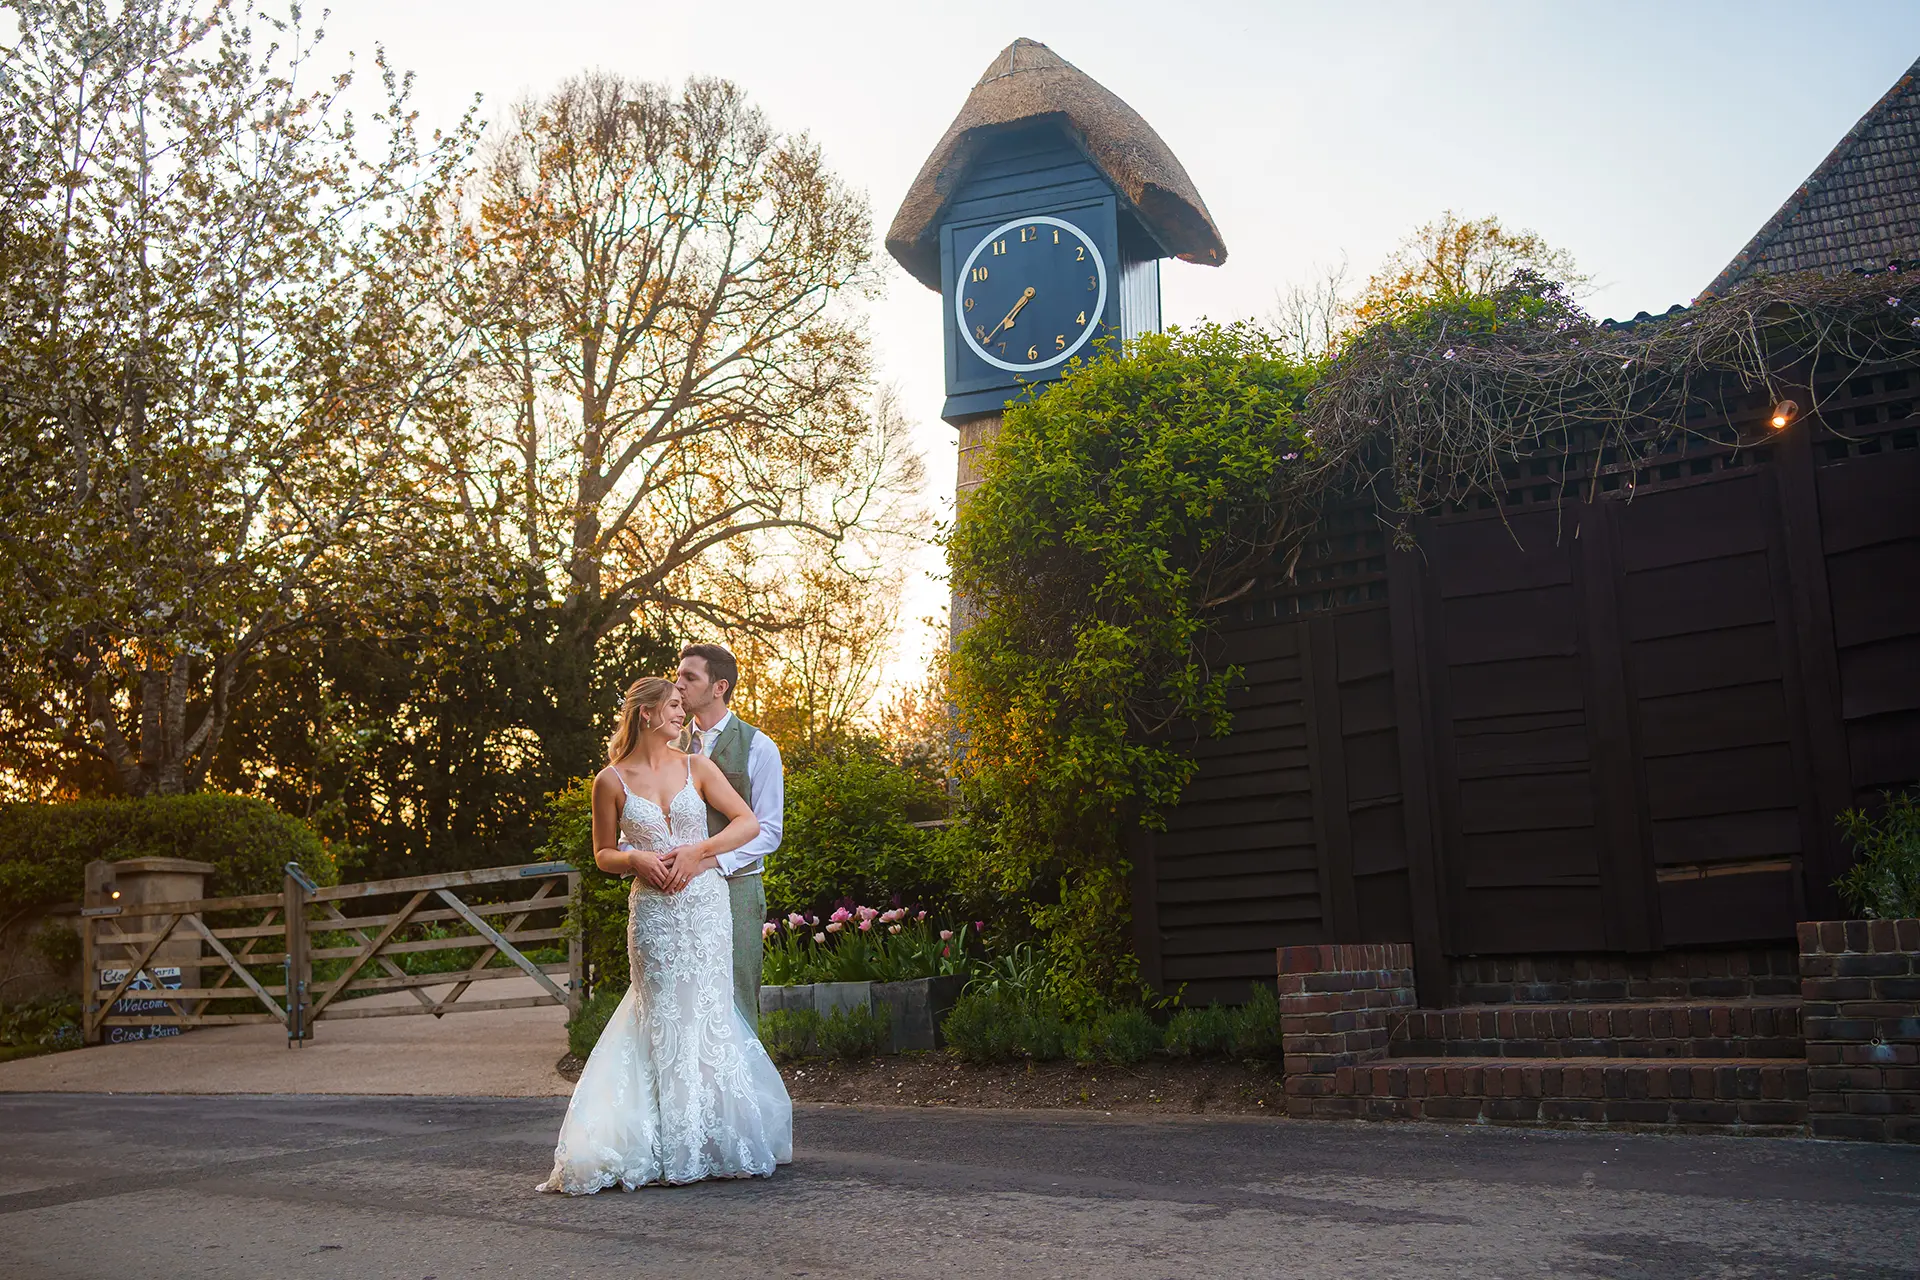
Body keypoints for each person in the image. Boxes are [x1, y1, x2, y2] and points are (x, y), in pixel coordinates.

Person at [536, 676, 791, 1193]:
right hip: (654, 913)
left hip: (705, 907)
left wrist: (700, 852)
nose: (683, 712)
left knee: (709, 1011)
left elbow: (747, 823)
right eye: (674, 706)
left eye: (682, 704)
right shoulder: (610, 781)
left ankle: (713, 1137)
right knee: (664, 1016)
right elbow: (604, 855)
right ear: (648, 714)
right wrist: (635, 858)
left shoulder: (698, 766)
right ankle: (661, 1140)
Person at [672, 643, 783, 1030]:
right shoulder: (669, 745)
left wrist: (709, 861)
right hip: (676, 894)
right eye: (678, 675)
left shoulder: (759, 747)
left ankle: (742, 1089)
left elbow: (769, 830)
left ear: (719, 687)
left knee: (737, 1000)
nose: (678, 685)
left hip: (737, 889)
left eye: (690, 677)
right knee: (682, 1001)